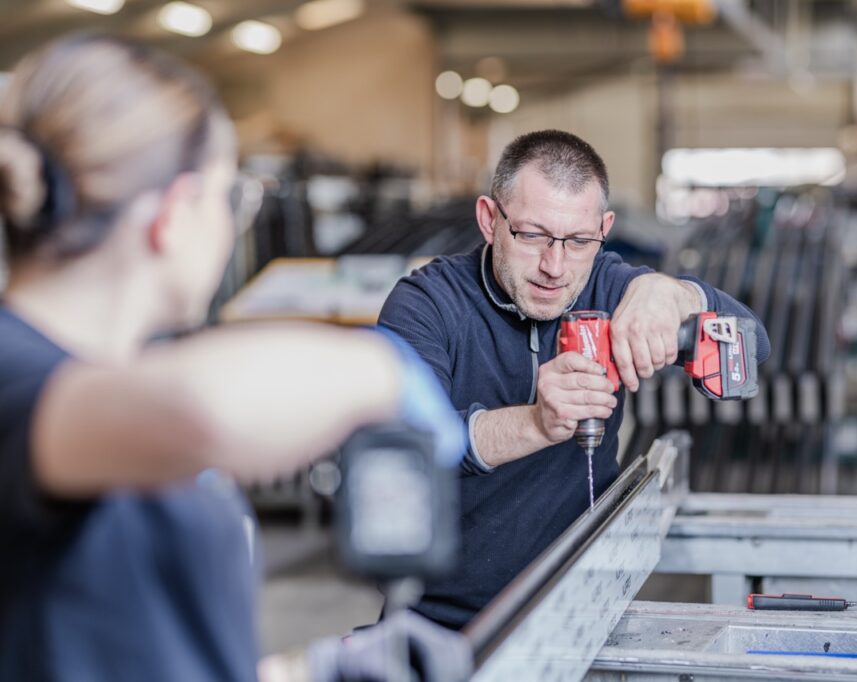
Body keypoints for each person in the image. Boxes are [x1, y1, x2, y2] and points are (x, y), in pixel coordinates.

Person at [0, 35, 470, 682]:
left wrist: (306, 673)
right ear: (174, 213)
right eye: (232, 199)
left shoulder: (111, 384)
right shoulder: (16, 373)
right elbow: (201, 411)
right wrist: (380, 370)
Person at [378, 129, 771, 629]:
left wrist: (675, 294)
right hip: (444, 624)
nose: (554, 266)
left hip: (582, 608)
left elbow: (754, 346)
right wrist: (535, 424)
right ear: (488, 220)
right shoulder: (427, 304)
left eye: (579, 241)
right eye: (532, 235)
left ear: (603, 229)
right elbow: (402, 451)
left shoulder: (610, 286)